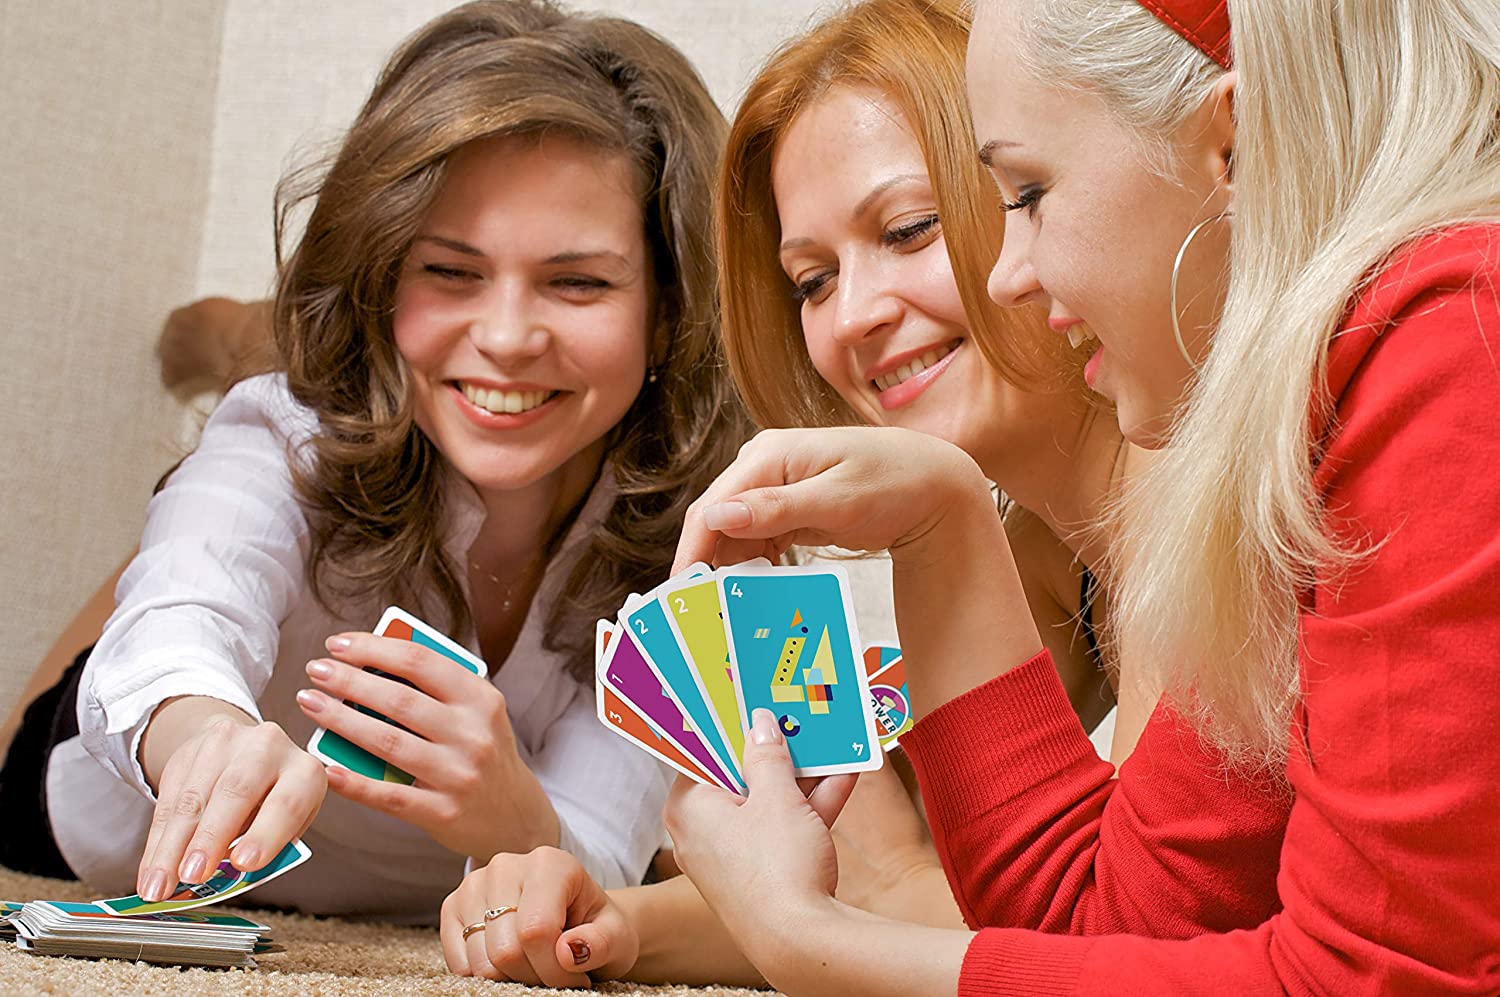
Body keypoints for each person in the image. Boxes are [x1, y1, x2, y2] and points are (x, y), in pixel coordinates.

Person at [648, 0, 1500, 992]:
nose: (1012, 272)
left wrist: (803, 936)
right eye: (810, 279)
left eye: (1028, 191)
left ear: (1232, 144)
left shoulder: (1453, 334)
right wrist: (940, 529)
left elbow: (1378, 980)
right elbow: (1119, 930)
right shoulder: (1303, 404)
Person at [438, 0, 1280, 985]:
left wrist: (805, 917)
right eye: (812, 280)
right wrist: (614, 923)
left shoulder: (1202, 484)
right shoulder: (1036, 556)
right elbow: (912, 892)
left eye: (909, 229)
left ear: (1032, 195)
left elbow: (1107, 953)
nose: (858, 316)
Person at [0, 0, 748, 924]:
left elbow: (598, 871)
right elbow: (177, 622)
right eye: (450, 270)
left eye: (579, 281)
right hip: (90, 817)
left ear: (668, 309)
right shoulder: (284, 440)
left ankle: (241, 331)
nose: (509, 336)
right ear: (383, 275)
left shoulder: (706, 561)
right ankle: (232, 338)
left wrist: (516, 812)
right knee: (210, 515)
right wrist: (206, 730)